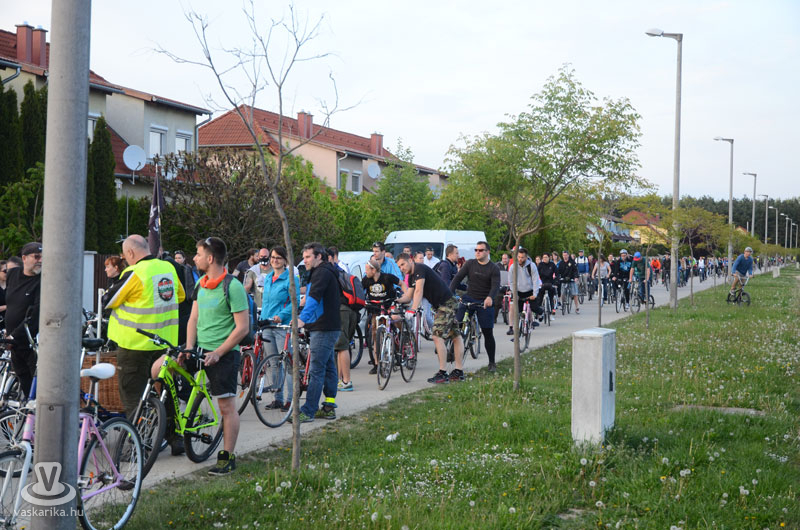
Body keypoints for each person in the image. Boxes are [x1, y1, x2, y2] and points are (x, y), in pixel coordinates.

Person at [105, 235, 186, 452]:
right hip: (164, 343)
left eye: (125, 256)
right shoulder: (167, 268)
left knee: (133, 395)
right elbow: (179, 296)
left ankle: (139, 443)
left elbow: (108, 300)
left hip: (135, 345)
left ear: (130, 253)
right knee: (166, 391)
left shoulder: (135, 273)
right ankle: (175, 438)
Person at [178, 237, 249, 476]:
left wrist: (218, 353)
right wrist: (189, 347)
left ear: (210, 258)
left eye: (198, 254)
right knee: (159, 369)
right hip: (200, 348)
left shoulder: (233, 286)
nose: (194, 258)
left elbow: (242, 328)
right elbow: (193, 319)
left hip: (224, 353)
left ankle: (227, 457)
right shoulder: (201, 284)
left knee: (226, 407)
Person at [395, 253, 465, 384]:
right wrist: (396, 300)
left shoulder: (419, 268)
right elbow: (408, 296)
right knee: (455, 335)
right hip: (441, 305)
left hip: (447, 303)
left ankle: (443, 373)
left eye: (403, 264)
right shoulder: (411, 276)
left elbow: (419, 291)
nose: (401, 268)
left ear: (410, 260)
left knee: (437, 336)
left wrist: (413, 309)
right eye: (399, 267)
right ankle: (459, 371)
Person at [295, 243, 341, 423]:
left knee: (316, 370)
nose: (304, 261)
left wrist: (302, 319)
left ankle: (308, 411)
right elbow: (309, 298)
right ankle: (329, 407)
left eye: (308, 257)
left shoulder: (321, 273)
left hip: (324, 327)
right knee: (328, 366)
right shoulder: (323, 271)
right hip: (327, 326)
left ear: (318, 256)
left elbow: (314, 298)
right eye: (303, 257)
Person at [449, 241, 500, 372]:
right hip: (469, 297)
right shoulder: (470, 264)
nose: (477, 252)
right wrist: (449, 293)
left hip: (484, 301)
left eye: (480, 250)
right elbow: (457, 278)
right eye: (476, 250)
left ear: (487, 252)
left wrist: (490, 297)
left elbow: (495, 286)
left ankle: (492, 362)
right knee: (457, 323)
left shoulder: (493, 268)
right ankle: (452, 349)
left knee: (488, 332)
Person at [260, 246, 300, 409]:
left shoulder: (291, 279)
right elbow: (265, 302)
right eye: (272, 257)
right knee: (273, 363)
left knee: (287, 364)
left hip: (282, 326)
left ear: (285, 260)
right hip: (267, 325)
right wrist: (262, 319)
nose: (274, 260)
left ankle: (290, 400)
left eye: (278, 257)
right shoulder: (268, 277)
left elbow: (295, 301)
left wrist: (281, 315)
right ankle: (277, 398)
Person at [3, 243, 43, 397]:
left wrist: (14, 336)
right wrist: (9, 334)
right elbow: (12, 304)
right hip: (13, 342)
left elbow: (35, 315)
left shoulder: (43, 281)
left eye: (43, 257)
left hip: (30, 342)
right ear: (24, 258)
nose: (40, 260)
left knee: (36, 386)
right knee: (23, 380)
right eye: (36, 257)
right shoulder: (13, 274)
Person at [361, 259, 406, 374]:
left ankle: (403, 336)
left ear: (374, 270)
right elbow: (360, 291)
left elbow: (402, 283)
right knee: (375, 334)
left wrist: (405, 297)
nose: (365, 272)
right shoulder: (366, 280)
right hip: (375, 309)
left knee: (395, 319)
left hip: (389, 305)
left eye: (367, 269)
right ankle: (377, 364)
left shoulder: (387, 277)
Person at [331, 248, 359, 393]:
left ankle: (346, 381)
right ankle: (340, 380)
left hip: (342, 310)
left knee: (342, 347)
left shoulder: (333, 271)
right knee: (341, 346)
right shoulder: (340, 270)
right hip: (349, 310)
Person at [506, 248, 541, 344]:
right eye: (519, 257)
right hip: (518, 292)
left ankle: (536, 316)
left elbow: (535, 280)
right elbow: (511, 281)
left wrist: (535, 294)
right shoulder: (513, 267)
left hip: (530, 291)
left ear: (526, 257)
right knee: (518, 314)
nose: (520, 259)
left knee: (534, 308)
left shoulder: (531, 266)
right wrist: (514, 293)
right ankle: (517, 335)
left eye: (522, 257)